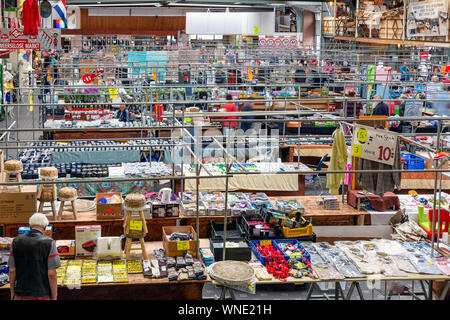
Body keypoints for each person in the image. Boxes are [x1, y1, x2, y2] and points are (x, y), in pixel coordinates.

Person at [8, 213, 61, 300]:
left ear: (30, 226)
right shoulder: (49, 243)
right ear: (45, 227)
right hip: (42, 295)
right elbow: (51, 274)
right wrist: (54, 296)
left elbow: (12, 270)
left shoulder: (16, 241)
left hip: (20, 295)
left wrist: (12, 291)